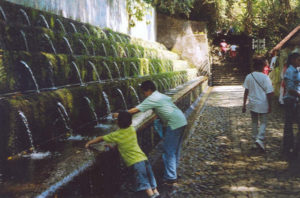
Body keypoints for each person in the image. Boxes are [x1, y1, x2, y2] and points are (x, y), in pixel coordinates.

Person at [115, 80, 187, 185]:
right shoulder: (160, 95)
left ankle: (171, 177)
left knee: (169, 151)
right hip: (181, 120)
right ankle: (173, 173)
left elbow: (136, 110)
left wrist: (119, 114)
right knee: (175, 150)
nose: (144, 95)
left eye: (144, 92)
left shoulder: (152, 98)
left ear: (148, 90)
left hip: (174, 123)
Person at [85, 111, 160, 198]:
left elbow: (101, 138)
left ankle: (152, 196)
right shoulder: (131, 129)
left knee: (145, 184)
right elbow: (124, 143)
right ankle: (157, 193)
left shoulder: (116, 135)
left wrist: (89, 143)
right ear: (130, 122)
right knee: (151, 181)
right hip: (143, 158)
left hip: (135, 162)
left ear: (117, 122)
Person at [242, 57, 274, 151]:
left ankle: (254, 140)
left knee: (254, 122)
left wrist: (244, 104)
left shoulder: (249, 76)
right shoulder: (265, 77)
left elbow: (246, 91)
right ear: (262, 67)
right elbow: (269, 93)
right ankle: (259, 139)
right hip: (263, 103)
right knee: (263, 122)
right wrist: (270, 106)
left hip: (252, 103)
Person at [282, 52, 300, 159]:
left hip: (296, 100)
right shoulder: (289, 71)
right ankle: (287, 147)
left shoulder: (297, 70)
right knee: (289, 125)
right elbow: (290, 88)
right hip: (291, 100)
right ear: (293, 60)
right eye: (298, 60)